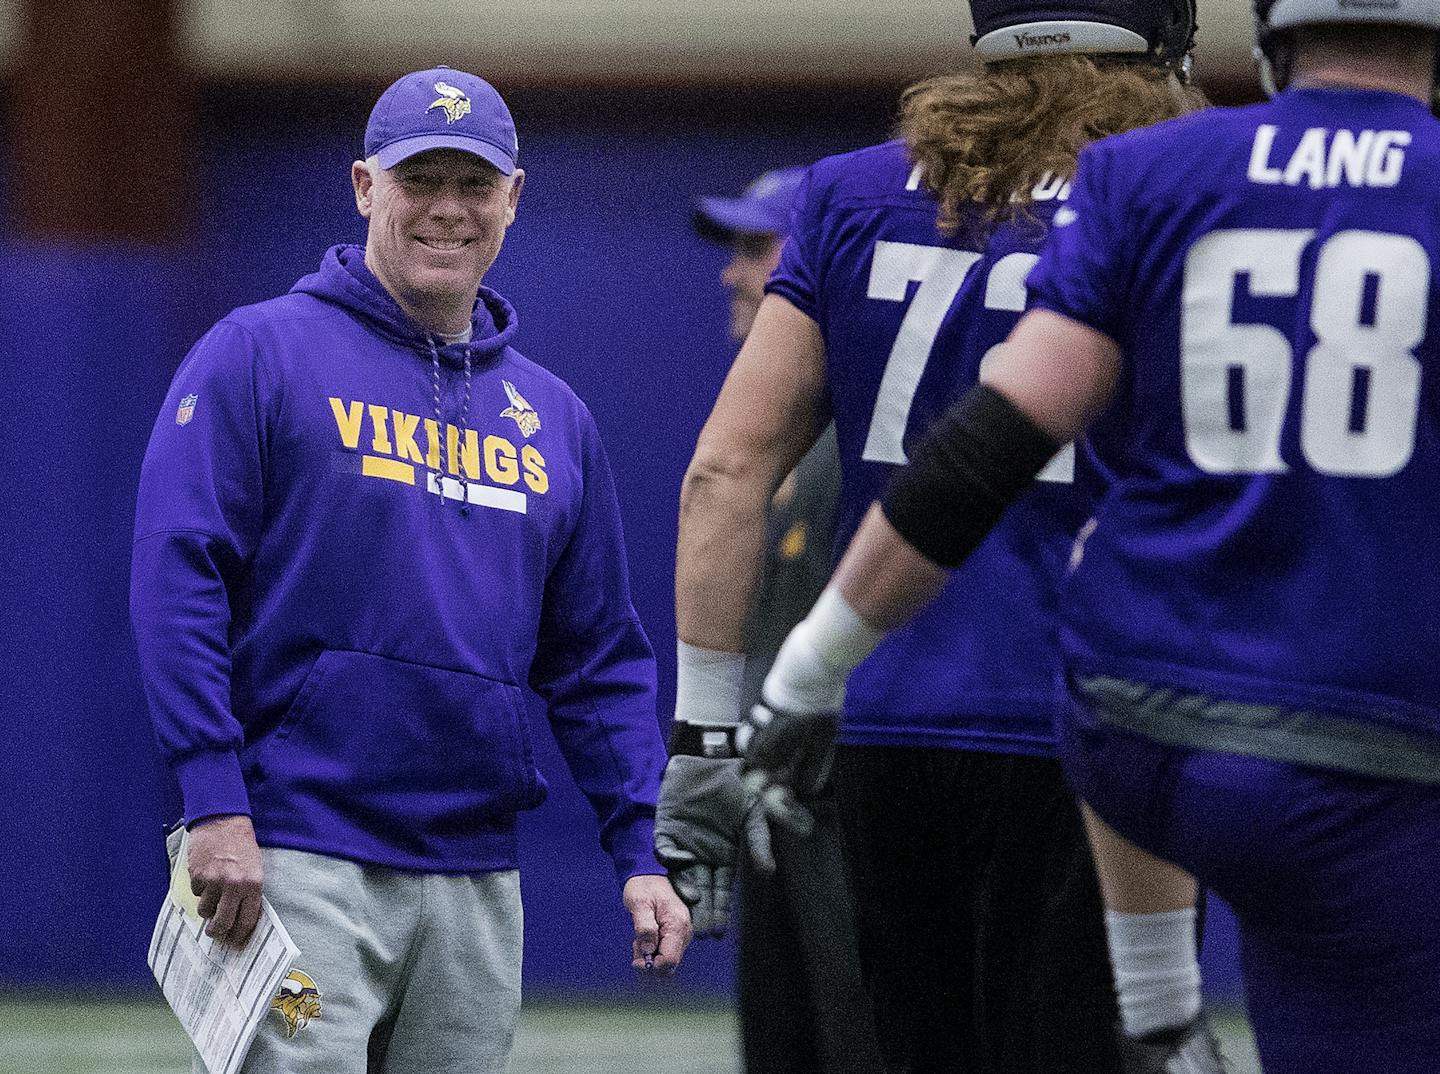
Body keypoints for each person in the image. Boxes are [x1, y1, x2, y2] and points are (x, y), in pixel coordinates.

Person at [742, 3, 1440, 1073]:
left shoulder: (1154, 175)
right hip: (1374, 731)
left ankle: (1161, 1013)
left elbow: (985, 450)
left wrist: (806, 669)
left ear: (1271, 43)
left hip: (1144, 728)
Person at [654, 4, 1208, 1072]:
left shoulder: (854, 192)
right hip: (1096, 732)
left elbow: (724, 473)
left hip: (887, 729)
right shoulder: (1173, 189)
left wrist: (704, 738)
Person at [130, 66, 691, 1074]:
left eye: (473, 184)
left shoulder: (554, 419)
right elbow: (178, 582)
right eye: (417, 177)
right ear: (362, 186)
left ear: (513, 198)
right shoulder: (256, 354)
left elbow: (598, 655)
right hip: (291, 847)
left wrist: (640, 845)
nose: (446, 208)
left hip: (476, 870)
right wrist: (214, 801)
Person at [673, 168, 880, 1074]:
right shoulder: (778, 436)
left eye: (759, 247)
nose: (734, 272)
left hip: (844, 811)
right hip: (773, 810)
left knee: (860, 1044)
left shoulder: (861, 434)